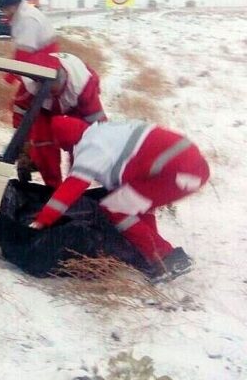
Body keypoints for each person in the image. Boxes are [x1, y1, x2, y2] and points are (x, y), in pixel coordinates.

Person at [29, 115, 210, 280]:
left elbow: (70, 189)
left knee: (115, 208)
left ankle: (167, 258)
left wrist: (42, 220)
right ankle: (152, 256)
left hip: (178, 173)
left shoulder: (91, 148)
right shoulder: (105, 129)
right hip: (190, 165)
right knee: (136, 203)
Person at [12, 52, 107, 187]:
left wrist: (104, 149)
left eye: (56, 89)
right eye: (50, 90)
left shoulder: (83, 85)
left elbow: (97, 121)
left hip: (75, 105)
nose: (53, 93)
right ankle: (52, 189)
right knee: (43, 143)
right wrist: (24, 150)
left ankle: (75, 186)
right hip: (44, 108)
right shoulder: (29, 85)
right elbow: (21, 116)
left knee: (82, 142)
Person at [0, 0, 58, 71]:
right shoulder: (24, 14)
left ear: (13, 6)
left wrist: (11, 76)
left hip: (44, 64)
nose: (5, 13)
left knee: (22, 81)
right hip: (41, 59)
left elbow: (24, 52)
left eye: (5, 10)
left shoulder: (27, 19)